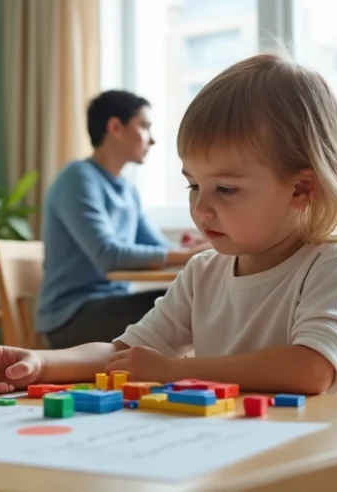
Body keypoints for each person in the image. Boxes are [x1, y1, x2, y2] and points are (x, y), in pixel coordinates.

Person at [0, 53, 337, 492]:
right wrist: (41, 362)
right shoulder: (204, 272)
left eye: (226, 189)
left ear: (300, 189)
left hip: (327, 478)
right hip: (245, 471)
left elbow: (311, 369)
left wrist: (174, 371)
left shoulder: (330, 264)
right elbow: (124, 354)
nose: (200, 208)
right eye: (193, 185)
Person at [35, 89, 209, 349]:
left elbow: (158, 246)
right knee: (188, 306)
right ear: (116, 127)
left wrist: (187, 247)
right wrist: (184, 255)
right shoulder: (78, 178)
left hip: (108, 305)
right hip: (71, 315)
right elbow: (108, 254)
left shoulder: (128, 191)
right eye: (145, 126)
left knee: (190, 302)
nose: (152, 140)